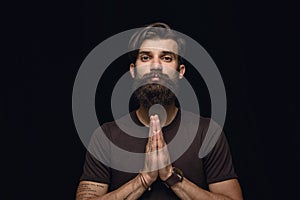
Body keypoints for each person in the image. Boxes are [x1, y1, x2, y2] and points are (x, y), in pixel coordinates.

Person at [76, 22, 243, 200]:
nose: (156, 66)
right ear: (133, 70)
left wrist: (172, 177)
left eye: (167, 58)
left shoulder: (207, 132)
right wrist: (143, 179)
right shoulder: (106, 135)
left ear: (181, 71)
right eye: (146, 58)